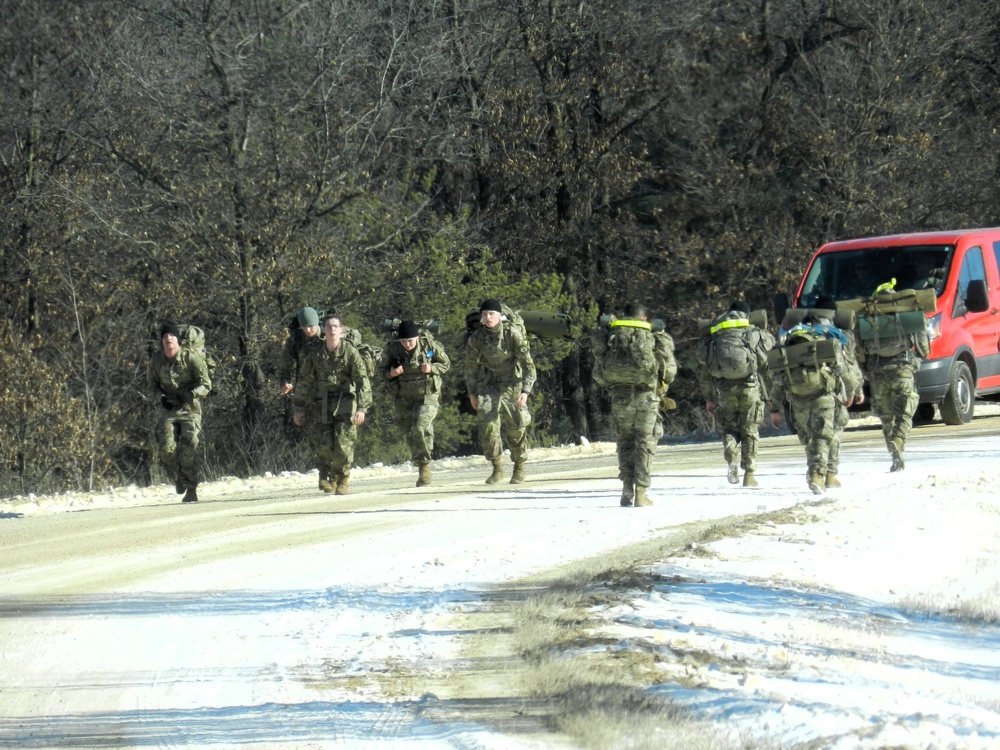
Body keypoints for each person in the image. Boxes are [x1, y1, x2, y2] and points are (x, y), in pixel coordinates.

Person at [769, 309, 864, 494]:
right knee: (823, 436)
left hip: (798, 399)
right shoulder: (825, 342)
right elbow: (843, 370)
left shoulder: (787, 345)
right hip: (823, 396)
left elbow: (777, 379)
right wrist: (851, 391)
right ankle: (819, 476)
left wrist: (774, 405)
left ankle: (818, 472)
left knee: (809, 438)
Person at [592, 302, 677, 507]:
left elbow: (598, 374)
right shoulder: (652, 336)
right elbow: (669, 372)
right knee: (645, 443)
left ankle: (626, 488)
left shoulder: (613, 336)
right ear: (644, 319)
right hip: (646, 397)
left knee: (624, 442)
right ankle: (641, 491)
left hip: (619, 397)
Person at [697, 301, 775, 488]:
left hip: (724, 389)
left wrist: (709, 398)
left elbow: (705, 371)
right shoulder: (751, 331)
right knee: (750, 430)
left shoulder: (715, 333)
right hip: (749, 388)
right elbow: (765, 365)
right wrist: (770, 395)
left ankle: (731, 458)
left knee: (730, 429)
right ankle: (749, 474)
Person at [293, 313, 372, 495]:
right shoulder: (316, 353)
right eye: (328, 327)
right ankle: (326, 475)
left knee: (344, 443)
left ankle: (342, 479)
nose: (332, 330)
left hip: (345, 402)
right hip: (322, 402)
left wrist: (362, 408)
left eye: (335, 326)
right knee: (324, 443)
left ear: (341, 330)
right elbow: (304, 381)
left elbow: (362, 381)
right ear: (324, 330)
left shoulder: (350, 352)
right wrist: (299, 407)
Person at [465, 298, 536, 485]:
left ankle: (519, 467)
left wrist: (525, 392)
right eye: (485, 314)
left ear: (499, 316)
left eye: (491, 314)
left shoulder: (512, 335)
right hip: (489, 385)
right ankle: (497, 467)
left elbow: (529, 366)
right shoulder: (476, 339)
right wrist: (472, 393)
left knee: (516, 428)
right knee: (488, 427)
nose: (488, 318)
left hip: (512, 383)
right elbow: (470, 368)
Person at [860, 282, 931, 471]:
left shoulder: (866, 319)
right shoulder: (908, 316)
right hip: (902, 369)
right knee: (906, 411)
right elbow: (924, 349)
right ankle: (898, 440)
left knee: (886, 417)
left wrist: (864, 370)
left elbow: (858, 352)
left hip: (877, 373)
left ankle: (895, 458)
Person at [380, 320, 451, 487]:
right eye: (403, 341)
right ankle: (421, 460)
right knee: (410, 432)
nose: (407, 344)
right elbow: (379, 371)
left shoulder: (428, 346)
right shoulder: (392, 350)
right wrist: (391, 373)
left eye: (410, 341)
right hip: (403, 397)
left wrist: (432, 368)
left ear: (417, 338)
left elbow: (446, 364)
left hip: (427, 395)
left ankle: (424, 467)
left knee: (420, 425)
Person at [147, 323, 212, 503]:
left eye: (172, 337)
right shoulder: (156, 362)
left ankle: (191, 489)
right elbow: (151, 387)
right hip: (169, 408)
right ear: (162, 342)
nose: (169, 340)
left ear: (178, 341)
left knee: (190, 445)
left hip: (190, 408)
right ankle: (181, 475)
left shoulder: (191, 358)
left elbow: (206, 384)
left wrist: (191, 394)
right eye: (165, 337)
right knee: (167, 451)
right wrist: (160, 398)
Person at [278, 307, 321, 396]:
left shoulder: (330, 335)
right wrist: (285, 383)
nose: (308, 330)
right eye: (304, 327)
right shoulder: (295, 339)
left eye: (310, 326)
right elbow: (285, 366)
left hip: (328, 392)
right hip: (305, 391)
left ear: (316, 324)